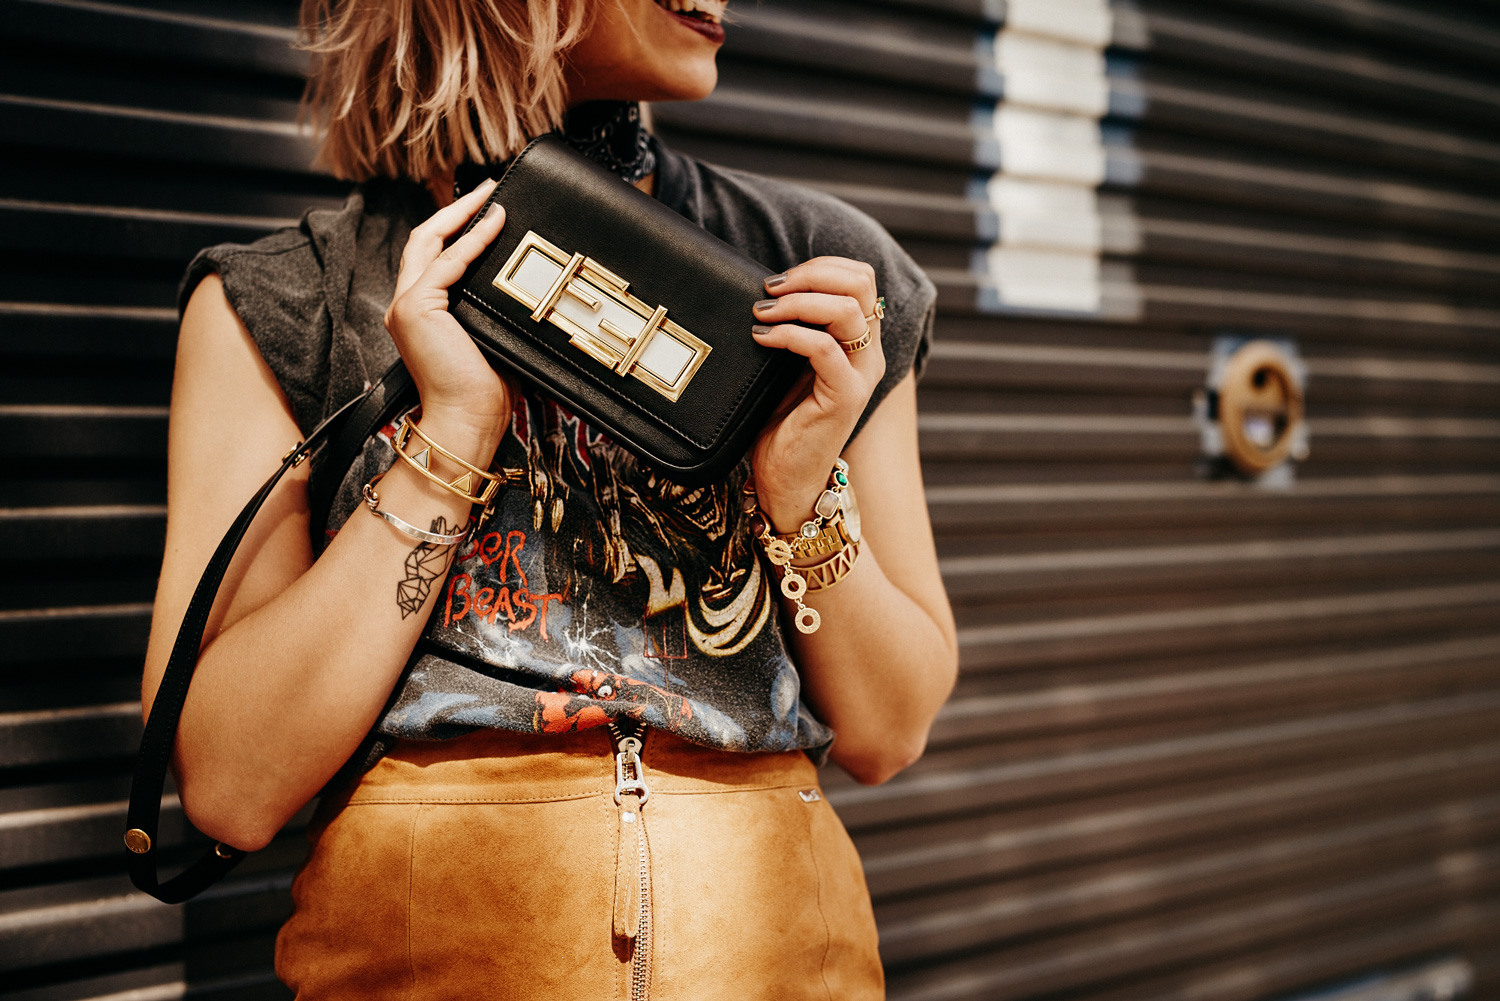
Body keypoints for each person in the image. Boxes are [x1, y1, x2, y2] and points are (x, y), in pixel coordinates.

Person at [142, 0, 957, 996]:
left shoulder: (815, 277)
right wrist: (450, 432)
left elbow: (890, 728)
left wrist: (801, 492)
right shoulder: (293, 294)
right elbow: (229, 785)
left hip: (783, 956)